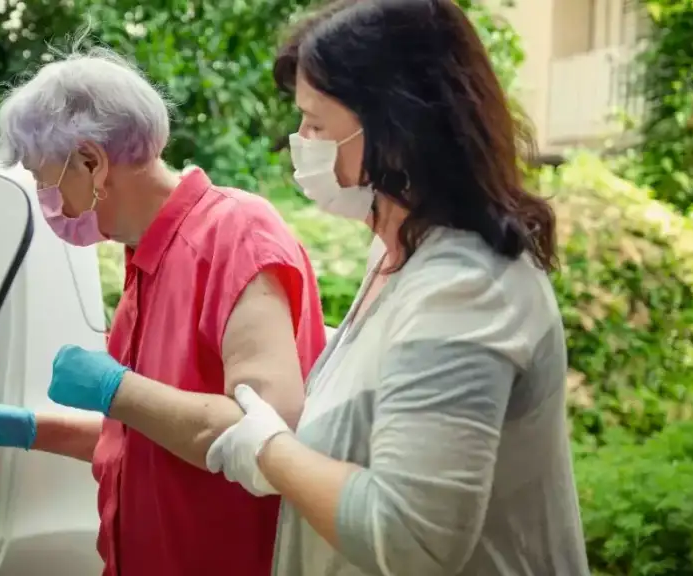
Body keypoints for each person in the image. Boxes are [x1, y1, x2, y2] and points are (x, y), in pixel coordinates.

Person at [205, 0, 591, 575]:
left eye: (317, 124)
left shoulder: (464, 289)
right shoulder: (396, 258)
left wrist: (268, 449)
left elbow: (410, 538)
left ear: (396, 130)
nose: (301, 141)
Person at [0, 45, 327, 576]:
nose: (45, 195)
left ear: (91, 162)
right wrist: (27, 428)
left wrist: (115, 389)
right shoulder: (144, 258)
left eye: (43, 177)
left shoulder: (235, 233)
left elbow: (264, 435)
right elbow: (147, 437)